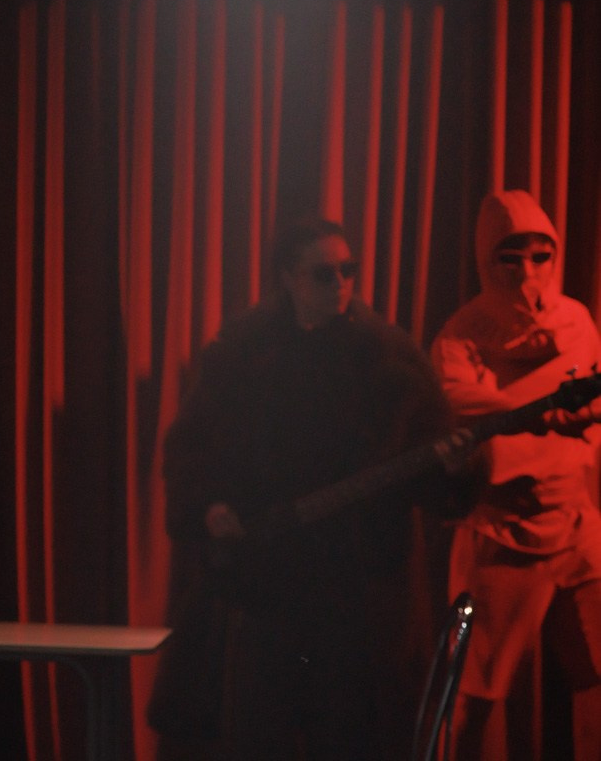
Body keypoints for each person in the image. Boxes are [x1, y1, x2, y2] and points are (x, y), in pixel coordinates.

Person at [150, 216, 456, 761]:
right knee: (260, 736)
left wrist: (456, 467)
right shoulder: (242, 356)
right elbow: (191, 448)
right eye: (323, 273)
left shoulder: (391, 362)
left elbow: (434, 472)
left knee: (351, 739)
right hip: (269, 584)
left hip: (359, 592)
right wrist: (210, 506)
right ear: (288, 278)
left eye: (348, 269)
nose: (340, 283)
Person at [430, 190, 601, 760]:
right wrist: (542, 414)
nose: (527, 271)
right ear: (487, 259)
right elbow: (459, 408)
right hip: (504, 534)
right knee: (474, 695)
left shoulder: (575, 319)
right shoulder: (461, 336)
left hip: (573, 520)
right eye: (510, 257)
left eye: (539, 255)